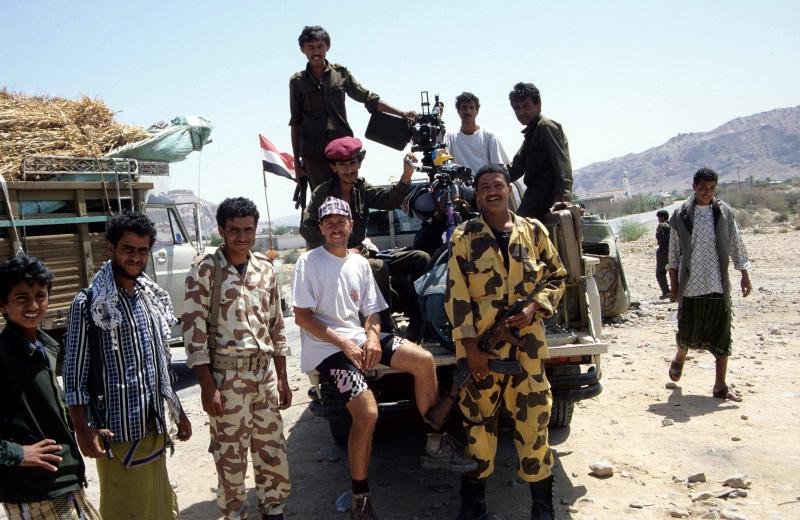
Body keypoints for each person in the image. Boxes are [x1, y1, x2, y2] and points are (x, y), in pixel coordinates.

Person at [293, 197, 475, 520]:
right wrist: (345, 344)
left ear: (351, 225)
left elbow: (373, 313)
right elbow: (303, 318)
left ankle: (435, 442)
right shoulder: (308, 263)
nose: (336, 227)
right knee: (367, 412)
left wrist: (374, 336)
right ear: (320, 227)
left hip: (361, 338)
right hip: (329, 348)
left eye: (341, 221)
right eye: (329, 222)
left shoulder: (360, 263)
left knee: (423, 361)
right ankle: (360, 497)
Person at [445, 165, 567, 520]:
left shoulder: (534, 231)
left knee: (534, 426)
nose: (492, 191)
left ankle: (542, 508)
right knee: (477, 429)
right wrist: (471, 351)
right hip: (481, 351)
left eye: (498, 185)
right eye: (484, 187)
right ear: (477, 195)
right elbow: (457, 295)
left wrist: (534, 307)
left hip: (526, 353)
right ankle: (474, 508)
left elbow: (557, 276)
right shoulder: (464, 236)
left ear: (509, 190)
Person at [63, 212, 192, 520]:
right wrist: (82, 429)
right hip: (116, 435)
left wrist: (178, 411)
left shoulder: (147, 297)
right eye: (128, 249)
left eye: (142, 250)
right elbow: (73, 375)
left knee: (157, 507)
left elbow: (159, 363)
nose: (136, 257)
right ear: (111, 249)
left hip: (151, 427)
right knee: (127, 510)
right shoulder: (90, 303)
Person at [182, 197, 291, 520]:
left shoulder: (265, 269)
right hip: (227, 380)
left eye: (248, 230)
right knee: (230, 460)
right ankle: (234, 513)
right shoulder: (205, 270)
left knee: (272, 453)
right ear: (221, 230)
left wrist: (282, 377)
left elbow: (276, 325)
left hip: (264, 377)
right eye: (234, 230)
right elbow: (194, 331)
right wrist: (206, 386)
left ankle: (275, 510)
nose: (242, 237)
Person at [1, 255, 101, 520]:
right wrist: (17, 453)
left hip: (64, 483)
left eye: (40, 296)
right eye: (22, 298)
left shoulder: (43, 349)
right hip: (33, 491)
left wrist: (85, 427)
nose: (33, 305)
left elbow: (50, 409)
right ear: (3, 304)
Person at [299, 136, 430, 340]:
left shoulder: (361, 188)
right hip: (337, 258)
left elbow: (390, 199)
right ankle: (384, 329)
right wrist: (339, 250)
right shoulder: (322, 193)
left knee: (420, 258)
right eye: (343, 165)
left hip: (362, 251)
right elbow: (307, 228)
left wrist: (406, 175)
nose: (350, 169)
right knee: (377, 267)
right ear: (334, 167)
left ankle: (422, 324)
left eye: (353, 163)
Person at [289, 25, 416, 190]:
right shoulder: (298, 82)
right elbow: (295, 123)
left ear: (327, 46)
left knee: (350, 194)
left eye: (320, 46)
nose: (316, 52)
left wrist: (401, 113)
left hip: (342, 147)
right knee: (321, 201)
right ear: (302, 50)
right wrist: (297, 164)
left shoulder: (340, 74)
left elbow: (368, 98)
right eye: (311, 48)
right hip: (314, 153)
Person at [667, 167, 752, 402]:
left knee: (722, 334)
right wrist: (674, 285)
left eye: (712, 189)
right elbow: (673, 254)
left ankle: (720, 386)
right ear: (694, 187)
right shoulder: (680, 215)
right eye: (703, 188)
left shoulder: (725, 213)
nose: (707, 192)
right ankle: (680, 357)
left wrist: (744, 274)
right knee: (687, 329)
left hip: (717, 284)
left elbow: (736, 244)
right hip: (691, 285)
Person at [507, 82, 573, 221]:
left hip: (545, 198)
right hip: (534, 197)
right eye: (517, 108)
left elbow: (562, 165)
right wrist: (489, 176)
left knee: (518, 231)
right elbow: (516, 168)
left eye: (526, 106)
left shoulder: (545, 127)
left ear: (538, 106)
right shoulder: (532, 132)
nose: (521, 112)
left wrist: (561, 197)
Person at [444, 91, 509, 173]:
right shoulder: (450, 137)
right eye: (464, 107)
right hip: (459, 185)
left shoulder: (489, 136)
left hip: (484, 184)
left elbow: (498, 166)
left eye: (471, 107)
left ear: (477, 111)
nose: (468, 111)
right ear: (458, 111)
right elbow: (444, 163)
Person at [655, 209, 671, 299]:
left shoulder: (661, 226)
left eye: (659, 218)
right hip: (674, 251)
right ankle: (675, 292)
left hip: (663, 252)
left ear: (662, 217)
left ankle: (666, 292)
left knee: (660, 273)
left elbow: (660, 239)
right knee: (672, 272)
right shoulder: (672, 224)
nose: (658, 219)